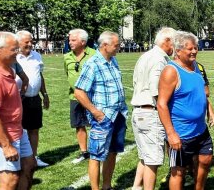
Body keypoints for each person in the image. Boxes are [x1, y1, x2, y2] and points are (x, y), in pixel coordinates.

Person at [0, 31, 36, 190]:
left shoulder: (8, 68)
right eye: (13, 49)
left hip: (16, 130)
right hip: (1, 135)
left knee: (29, 166)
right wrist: (6, 145)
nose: (18, 52)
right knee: (9, 180)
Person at [157, 31, 213, 190]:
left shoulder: (195, 66)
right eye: (190, 49)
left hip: (201, 130)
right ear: (178, 50)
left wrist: (210, 108)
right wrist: (171, 133)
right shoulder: (171, 71)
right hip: (181, 133)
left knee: (206, 159)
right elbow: (161, 104)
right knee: (178, 171)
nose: (194, 51)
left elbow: (200, 91)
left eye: (195, 48)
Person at [74, 31, 127, 190]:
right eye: (116, 45)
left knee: (112, 152)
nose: (119, 47)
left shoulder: (113, 60)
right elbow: (79, 92)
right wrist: (96, 112)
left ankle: (107, 186)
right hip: (103, 118)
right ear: (105, 45)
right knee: (96, 156)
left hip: (118, 115)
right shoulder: (93, 64)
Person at [131, 27, 176, 190]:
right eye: (175, 43)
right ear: (167, 41)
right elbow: (157, 90)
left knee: (145, 156)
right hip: (151, 112)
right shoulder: (159, 59)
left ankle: (136, 187)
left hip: (139, 110)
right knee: (153, 160)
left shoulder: (145, 56)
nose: (175, 47)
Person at [16, 30, 50, 167]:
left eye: (32, 41)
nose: (30, 44)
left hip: (34, 98)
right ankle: (19, 160)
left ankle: (34, 158)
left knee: (34, 129)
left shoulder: (36, 55)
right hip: (18, 100)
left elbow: (40, 76)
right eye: (27, 42)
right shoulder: (13, 57)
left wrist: (45, 94)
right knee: (18, 130)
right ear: (18, 42)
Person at [63, 29, 96, 164]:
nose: (70, 42)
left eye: (73, 40)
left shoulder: (94, 55)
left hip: (92, 97)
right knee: (79, 125)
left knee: (96, 123)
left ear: (83, 41)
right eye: (69, 40)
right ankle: (84, 152)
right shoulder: (67, 57)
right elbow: (67, 74)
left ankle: (97, 150)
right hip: (75, 97)